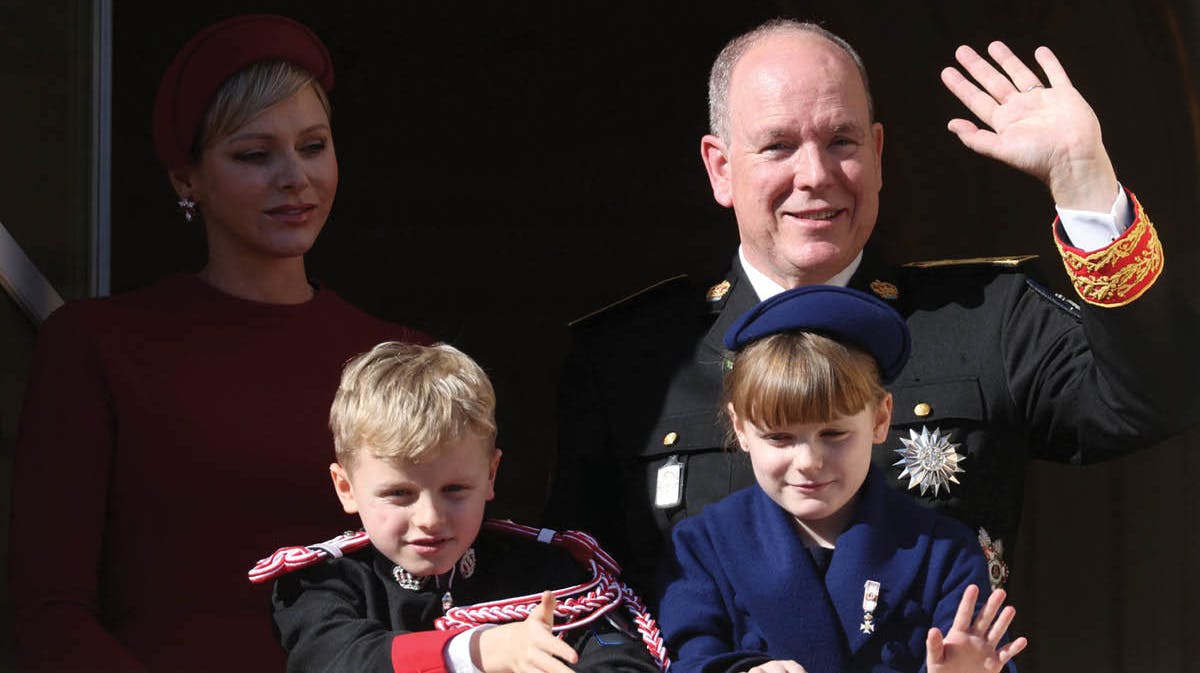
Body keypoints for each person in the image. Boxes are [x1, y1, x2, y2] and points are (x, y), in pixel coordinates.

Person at [548, 19, 1200, 596]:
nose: (815, 174)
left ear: (878, 155)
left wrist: (1084, 179)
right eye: (778, 146)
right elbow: (579, 588)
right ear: (721, 169)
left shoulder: (988, 320)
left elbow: (1158, 397)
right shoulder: (630, 360)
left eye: (842, 141)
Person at [7, 14, 430, 673]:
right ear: (187, 179)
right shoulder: (99, 345)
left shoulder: (403, 359)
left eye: (313, 146)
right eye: (255, 154)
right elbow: (47, 611)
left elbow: (447, 594)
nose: (294, 176)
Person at [658, 285, 1028, 673]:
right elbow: (691, 658)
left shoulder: (943, 551)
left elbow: (976, 655)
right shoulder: (703, 546)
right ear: (740, 428)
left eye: (833, 434)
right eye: (779, 437)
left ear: (880, 419)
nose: (808, 462)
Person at [250, 341, 665, 673]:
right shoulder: (317, 586)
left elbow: (620, 659)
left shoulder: (546, 573)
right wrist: (478, 651)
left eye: (454, 489)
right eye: (399, 494)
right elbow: (338, 660)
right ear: (346, 488)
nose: (430, 519)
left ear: (491, 474)